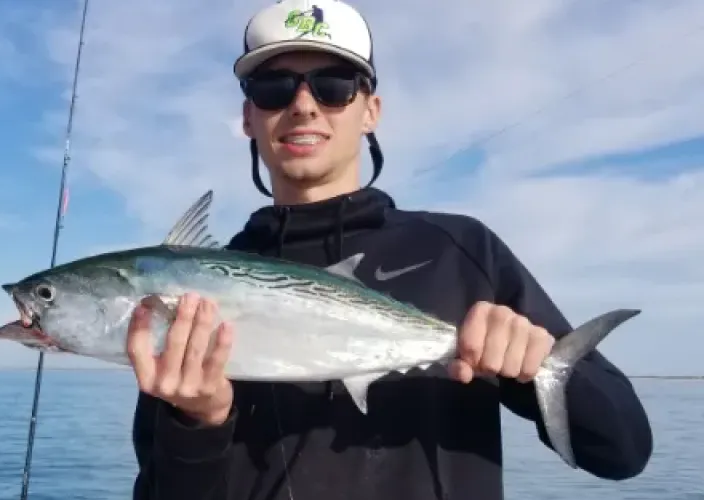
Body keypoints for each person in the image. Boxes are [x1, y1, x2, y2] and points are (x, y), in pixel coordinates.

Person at [126, 0, 654, 498]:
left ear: (371, 110)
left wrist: (530, 367)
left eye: (333, 86)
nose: (304, 105)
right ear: (248, 117)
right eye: (273, 87)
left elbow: (623, 452)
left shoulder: (461, 251)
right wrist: (197, 423)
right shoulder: (196, 290)